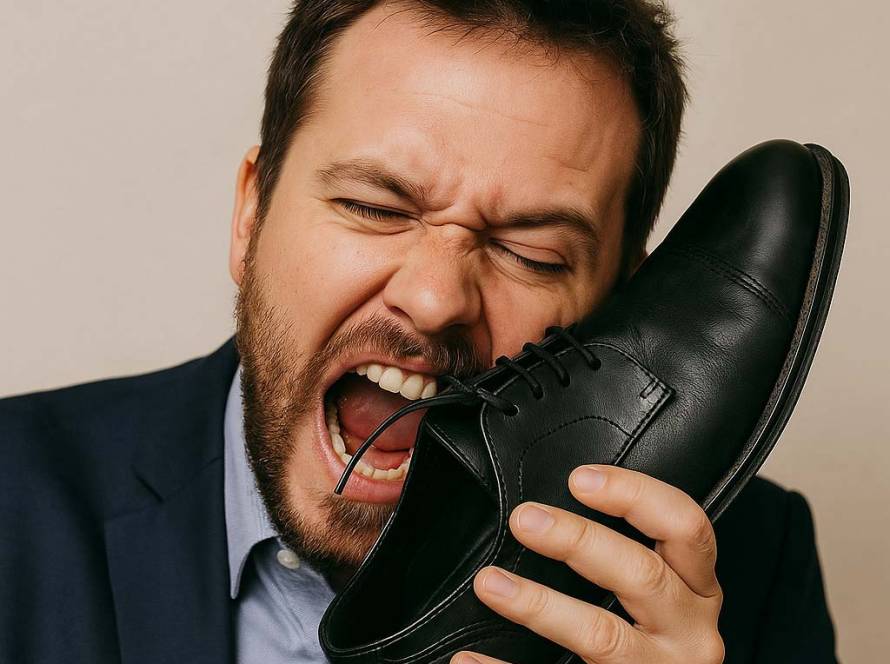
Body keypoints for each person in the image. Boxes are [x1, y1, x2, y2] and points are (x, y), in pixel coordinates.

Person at [0, 1, 838, 662]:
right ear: (250, 217)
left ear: (621, 309)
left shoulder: (752, 572)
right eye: (373, 207)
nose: (436, 298)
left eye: (532, 253)